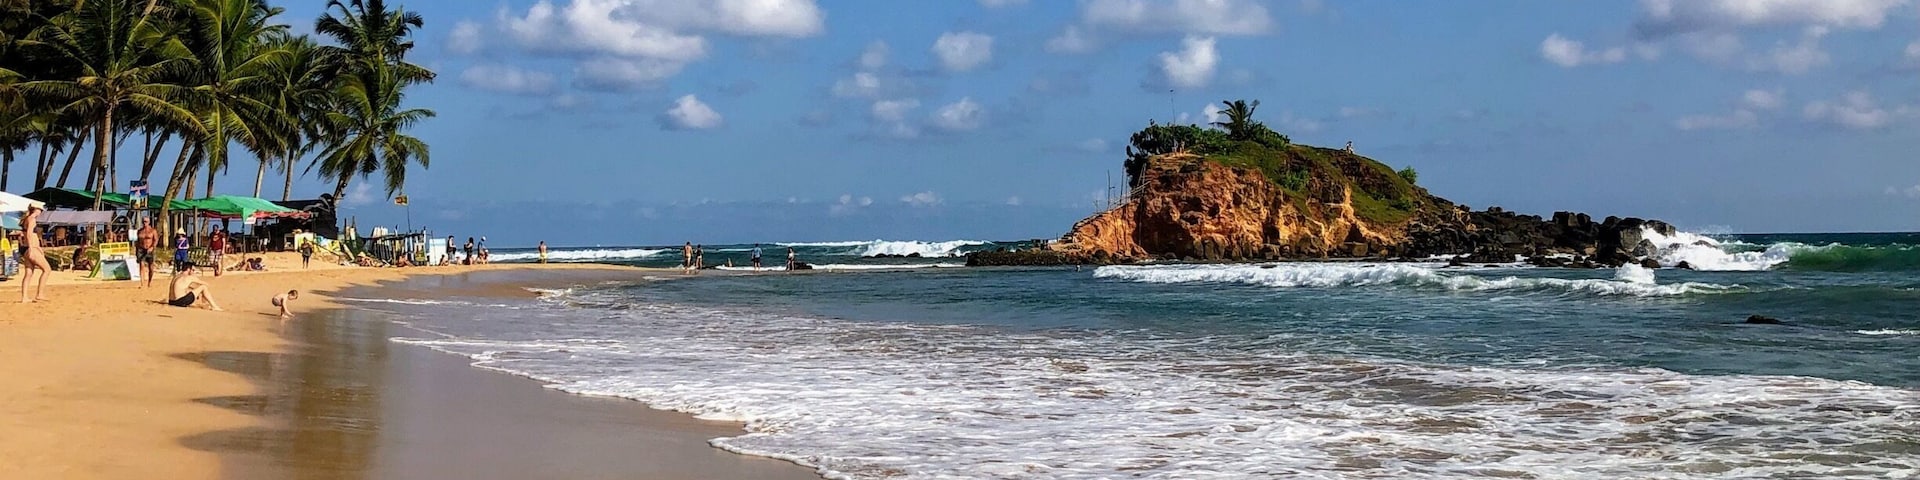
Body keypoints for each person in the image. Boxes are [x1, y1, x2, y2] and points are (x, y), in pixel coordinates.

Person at [18, 205, 50, 303]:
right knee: (47, 269)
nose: (41, 211)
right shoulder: (32, 219)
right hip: (32, 249)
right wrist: (33, 248)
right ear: (36, 210)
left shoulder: (26, 219)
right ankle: (39, 294)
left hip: (27, 249)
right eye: (40, 209)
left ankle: (24, 297)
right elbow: (29, 234)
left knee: (28, 274)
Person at [136, 218, 157, 287]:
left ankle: (149, 282)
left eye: (146, 221)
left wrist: (152, 247)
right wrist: (137, 251)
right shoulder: (140, 231)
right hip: (141, 250)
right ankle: (142, 283)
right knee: (141, 266)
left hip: (150, 250)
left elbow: (155, 240)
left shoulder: (153, 231)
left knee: (151, 268)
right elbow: (138, 242)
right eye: (143, 221)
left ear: (149, 222)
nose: (145, 223)